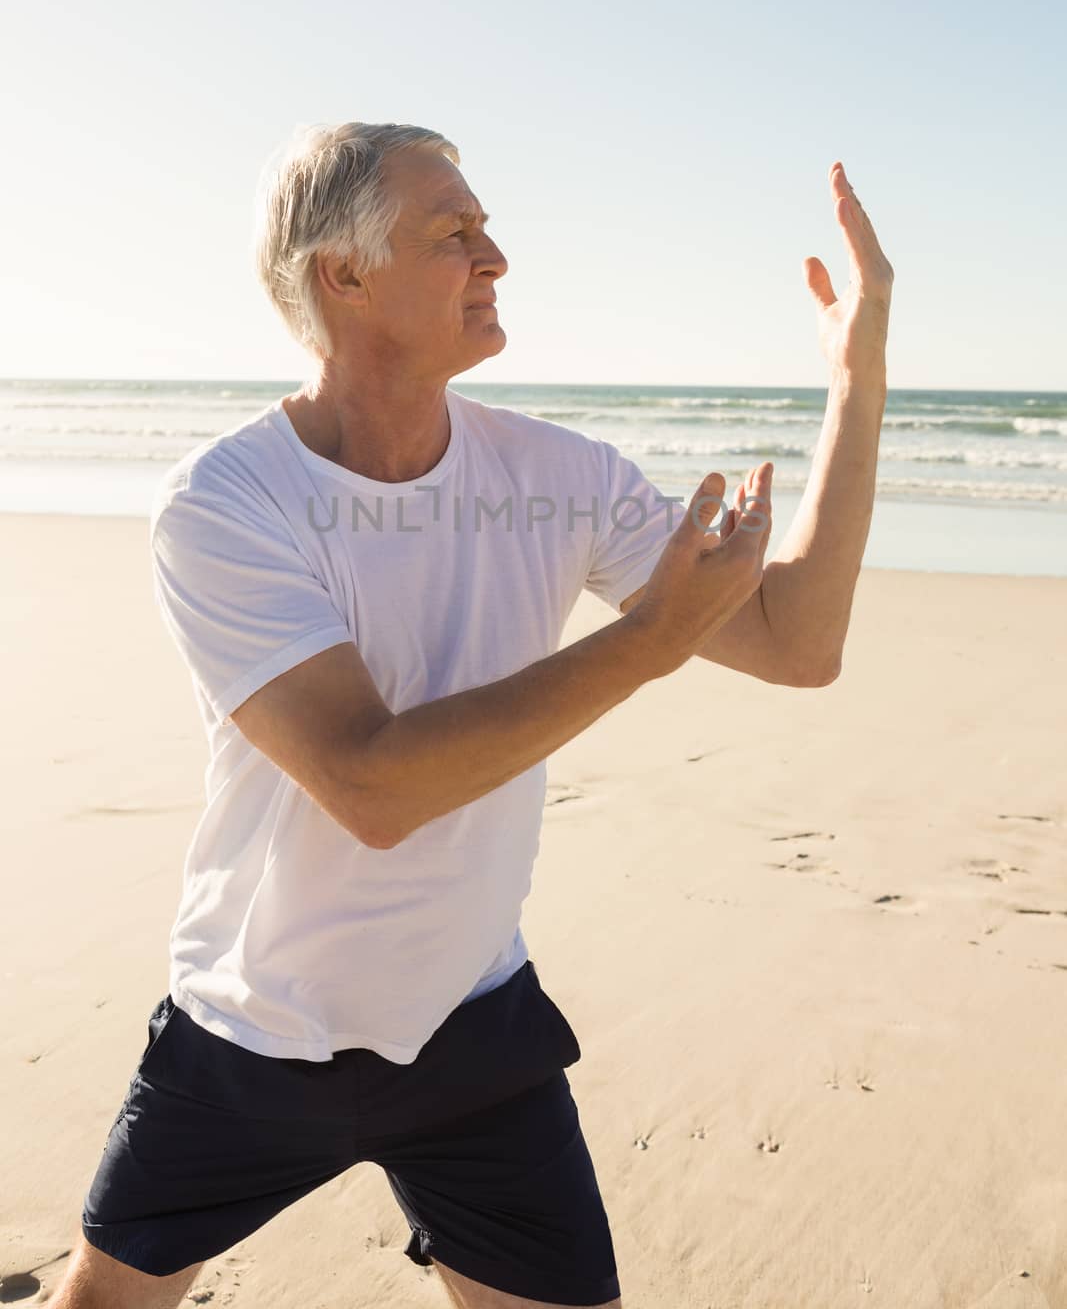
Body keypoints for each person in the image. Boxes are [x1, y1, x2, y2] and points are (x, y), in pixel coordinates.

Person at [56, 122, 893, 1309]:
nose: (493, 257)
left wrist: (855, 377)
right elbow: (371, 785)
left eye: (486, 229)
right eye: (452, 233)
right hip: (249, 1029)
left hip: (471, 1029)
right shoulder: (226, 503)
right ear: (341, 275)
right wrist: (653, 635)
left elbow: (797, 643)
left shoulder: (562, 474)